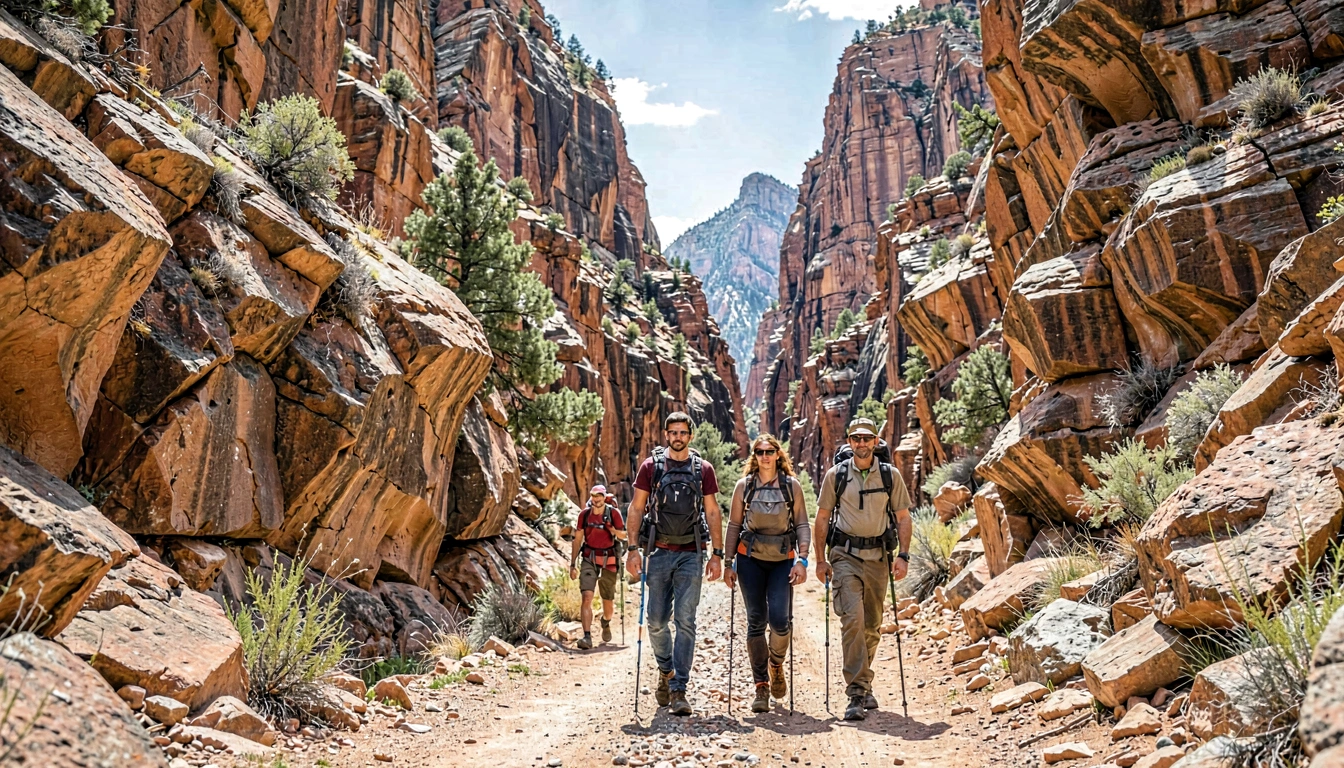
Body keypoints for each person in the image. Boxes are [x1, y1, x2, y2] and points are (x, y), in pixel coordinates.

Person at [814, 417, 913, 722]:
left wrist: (903, 556)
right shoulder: (836, 475)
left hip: (878, 559)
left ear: (875, 441)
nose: (861, 443)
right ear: (849, 441)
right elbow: (822, 518)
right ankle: (856, 692)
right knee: (853, 620)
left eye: (867, 438)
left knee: (871, 626)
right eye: (856, 438)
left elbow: (903, 517)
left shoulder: (890, 475)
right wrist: (820, 560)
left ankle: (864, 680)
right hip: (844, 556)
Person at [626, 412, 724, 716]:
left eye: (683, 432)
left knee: (685, 621)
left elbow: (712, 511)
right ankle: (666, 670)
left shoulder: (703, 469)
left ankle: (679, 688)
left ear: (690, 436)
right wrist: (632, 549)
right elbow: (636, 507)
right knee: (655, 621)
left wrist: (717, 554)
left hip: (691, 553)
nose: (678, 437)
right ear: (666, 435)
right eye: (673, 432)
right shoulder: (651, 467)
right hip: (657, 552)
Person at [723, 433, 809, 713]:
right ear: (755, 456)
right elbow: (734, 525)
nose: (765, 456)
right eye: (759, 452)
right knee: (756, 621)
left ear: (777, 454)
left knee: (781, 622)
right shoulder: (744, 486)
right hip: (750, 560)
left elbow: (802, 524)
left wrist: (803, 559)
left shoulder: (791, 486)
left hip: (782, 560)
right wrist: (728, 562)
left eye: (769, 451)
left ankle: (776, 664)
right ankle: (761, 686)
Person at [570, 485, 627, 650]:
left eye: (599, 496)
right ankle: (587, 637)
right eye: (593, 496)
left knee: (608, 603)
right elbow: (577, 539)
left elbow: (623, 535)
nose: (596, 499)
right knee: (587, 596)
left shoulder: (613, 514)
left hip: (609, 559)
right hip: (589, 558)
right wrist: (572, 564)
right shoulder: (584, 515)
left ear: (604, 497)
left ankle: (605, 621)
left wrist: (612, 529)